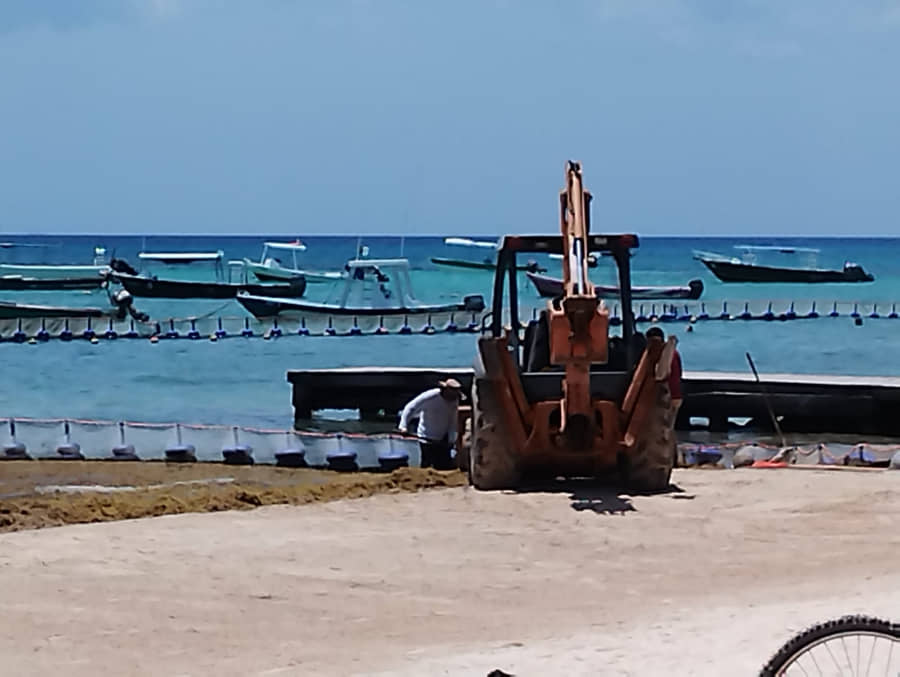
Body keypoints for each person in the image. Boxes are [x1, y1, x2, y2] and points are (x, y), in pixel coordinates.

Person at [397, 379, 464, 470]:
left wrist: (452, 439)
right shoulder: (431, 396)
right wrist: (403, 426)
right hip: (426, 437)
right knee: (427, 465)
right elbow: (411, 408)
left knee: (444, 466)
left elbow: (452, 421)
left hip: (442, 439)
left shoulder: (454, 401)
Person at [646, 326, 683, 464]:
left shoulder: (663, 355)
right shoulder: (674, 353)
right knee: (671, 429)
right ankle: (675, 458)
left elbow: (661, 374)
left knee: (665, 431)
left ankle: (671, 459)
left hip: (670, 395)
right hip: (677, 394)